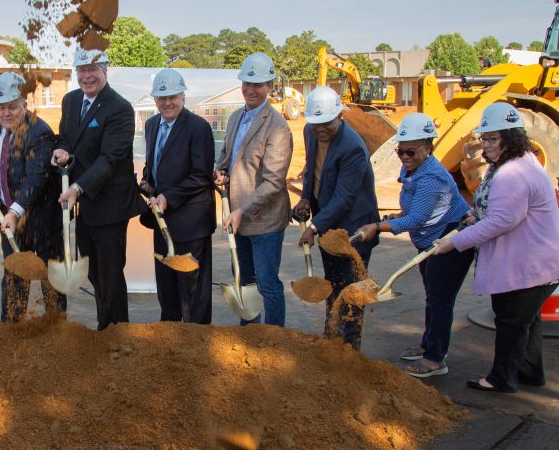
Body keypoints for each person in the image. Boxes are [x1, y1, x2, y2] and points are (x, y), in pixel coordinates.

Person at [431, 103, 559, 393]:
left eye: (492, 139)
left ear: (511, 138)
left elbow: (501, 221)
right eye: (484, 138)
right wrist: (477, 214)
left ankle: (501, 378)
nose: (486, 145)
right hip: (545, 258)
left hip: (533, 262)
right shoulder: (520, 162)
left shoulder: (514, 173)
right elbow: (499, 210)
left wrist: (453, 242)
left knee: (511, 320)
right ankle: (531, 372)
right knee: (527, 319)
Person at [355, 112, 472, 376]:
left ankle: (435, 360)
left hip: (449, 241)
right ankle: (429, 345)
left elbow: (417, 219)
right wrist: (397, 215)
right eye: (401, 152)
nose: (405, 157)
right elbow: (413, 209)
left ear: (428, 147)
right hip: (430, 240)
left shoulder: (432, 178)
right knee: (433, 296)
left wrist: (378, 227)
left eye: (412, 152)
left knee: (441, 300)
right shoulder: (414, 168)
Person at [52, 48, 143, 330]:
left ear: (105, 71)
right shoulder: (71, 100)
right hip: (84, 204)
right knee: (93, 271)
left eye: (93, 70)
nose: (87, 76)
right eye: (82, 70)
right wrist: (62, 151)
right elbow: (66, 137)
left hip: (109, 204)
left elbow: (110, 159)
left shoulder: (119, 107)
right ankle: (105, 326)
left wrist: (78, 187)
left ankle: (117, 332)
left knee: (110, 273)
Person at [292, 87, 379, 347]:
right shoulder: (311, 132)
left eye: (326, 123)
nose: (320, 129)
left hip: (354, 226)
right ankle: (332, 338)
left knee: (352, 290)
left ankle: (350, 347)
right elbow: (310, 170)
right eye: (315, 123)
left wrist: (314, 227)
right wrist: (306, 198)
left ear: (340, 115)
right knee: (333, 283)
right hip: (329, 222)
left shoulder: (352, 148)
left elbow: (344, 198)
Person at [0, 72, 66, 322]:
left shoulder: (39, 131)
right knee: (14, 280)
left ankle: (58, 332)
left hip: (42, 222)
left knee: (52, 283)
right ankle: (12, 331)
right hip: (10, 221)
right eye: (1, 107)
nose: (7, 113)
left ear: (24, 105)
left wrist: (15, 212)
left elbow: (35, 179)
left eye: (13, 107)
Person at [214, 52, 293, 326]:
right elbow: (227, 154)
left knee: (268, 284)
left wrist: (242, 211)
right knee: (244, 280)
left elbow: (273, 182)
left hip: (265, 222)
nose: (251, 89)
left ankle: (274, 339)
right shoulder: (236, 117)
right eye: (247, 83)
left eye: (258, 84)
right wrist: (220, 170)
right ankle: (250, 335)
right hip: (240, 218)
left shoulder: (278, 128)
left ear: (269, 86)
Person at [139, 68, 216, 324]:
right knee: (167, 284)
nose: (167, 102)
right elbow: (156, 164)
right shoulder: (151, 125)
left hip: (191, 222)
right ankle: (169, 336)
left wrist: (168, 197)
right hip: (163, 221)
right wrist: (147, 182)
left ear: (183, 96)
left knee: (191, 289)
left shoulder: (198, 128)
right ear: (154, 99)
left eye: (173, 96)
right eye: (162, 97)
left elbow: (201, 175)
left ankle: (195, 340)